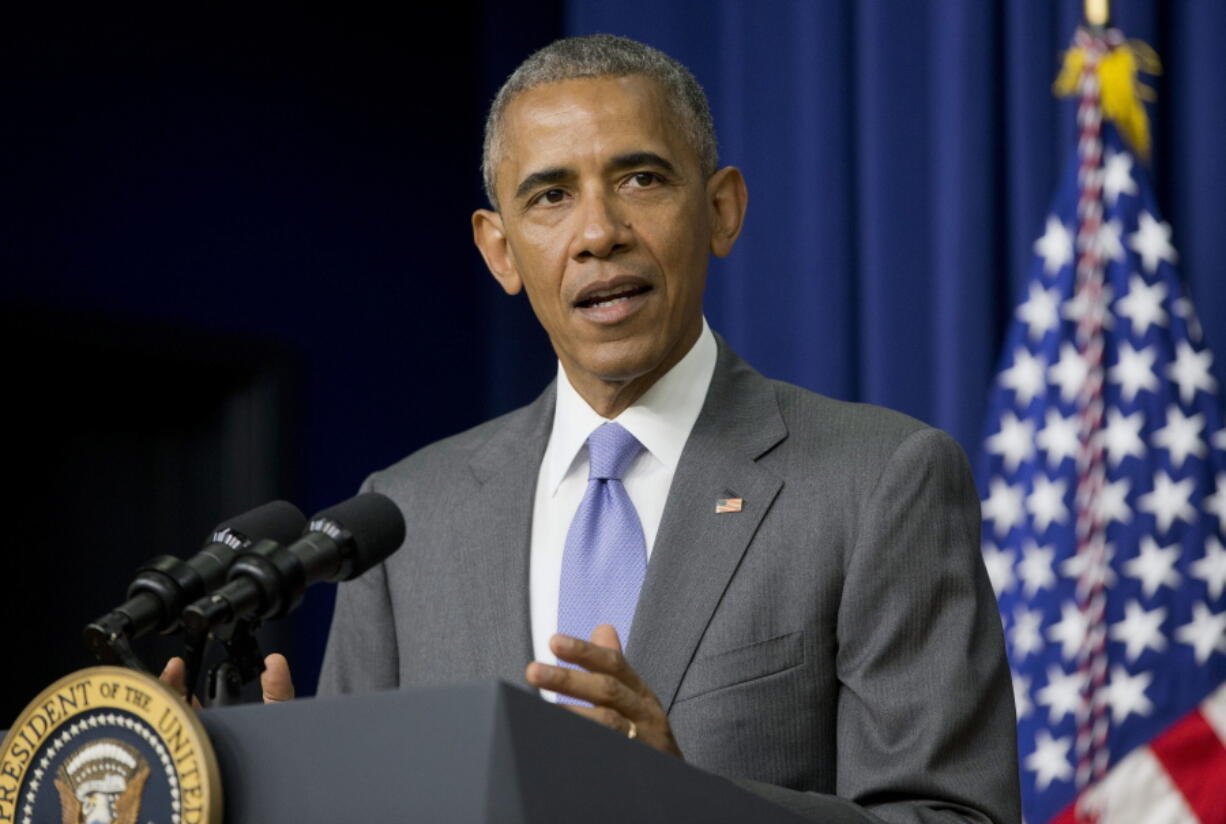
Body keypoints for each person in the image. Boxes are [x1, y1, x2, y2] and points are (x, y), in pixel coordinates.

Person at [170, 34, 1020, 823]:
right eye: (550, 196)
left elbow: (952, 817)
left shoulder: (879, 481)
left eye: (642, 179)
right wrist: (280, 787)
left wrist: (683, 804)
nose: (599, 234)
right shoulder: (403, 516)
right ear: (499, 251)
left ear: (722, 210)